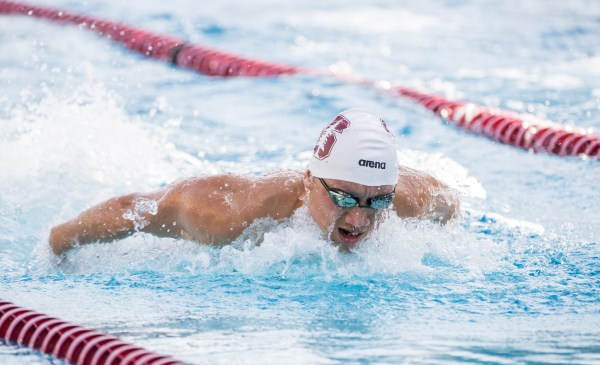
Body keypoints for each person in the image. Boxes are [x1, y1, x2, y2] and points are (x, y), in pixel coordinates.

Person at [49, 108, 460, 255]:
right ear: (309, 180)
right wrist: (60, 242)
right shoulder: (232, 213)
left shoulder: (407, 197)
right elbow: (134, 209)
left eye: (377, 201)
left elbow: (450, 203)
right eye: (344, 196)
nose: (361, 217)